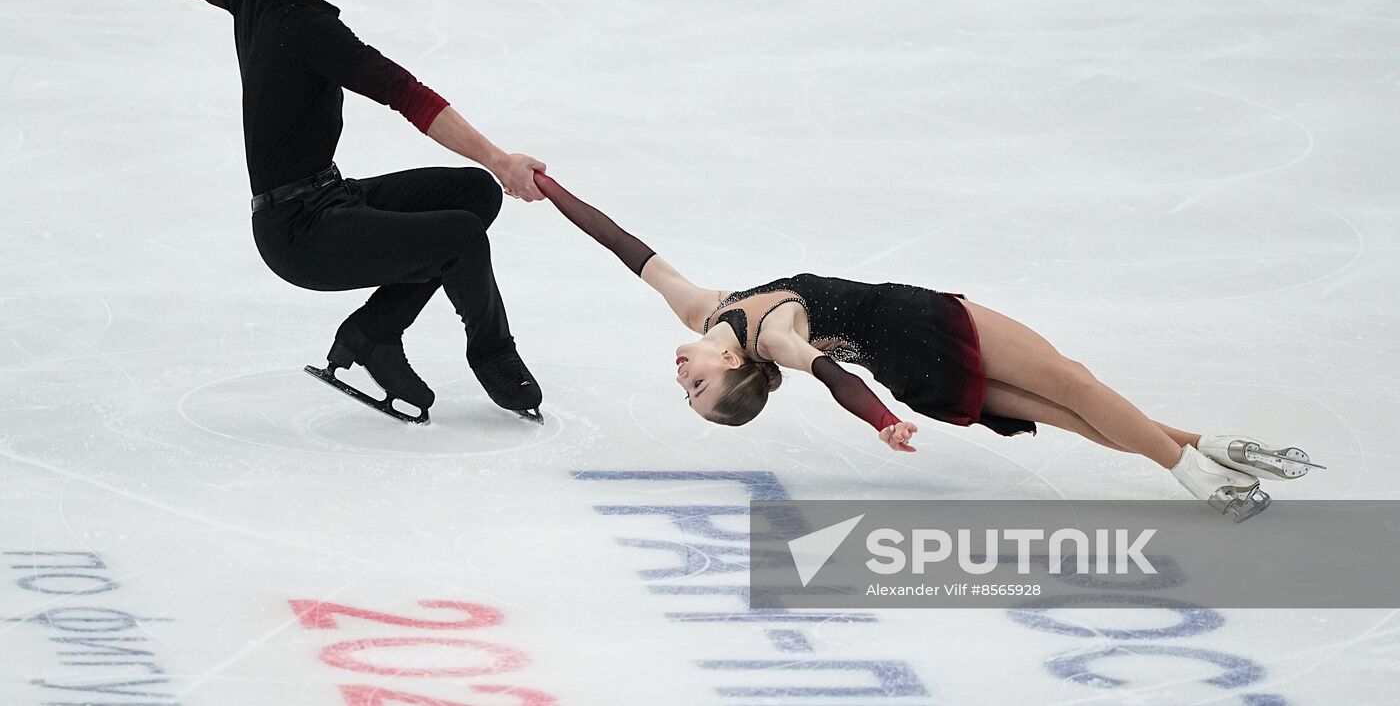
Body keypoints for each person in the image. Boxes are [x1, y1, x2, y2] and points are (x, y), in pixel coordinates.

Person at [532, 171, 1321, 522]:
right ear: (736, 365)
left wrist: (549, 187)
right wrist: (877, 421)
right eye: (697, 389)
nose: (683, 378)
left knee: (1076, 412)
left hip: (913, 373)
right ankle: (1199, 476)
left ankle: (1212, 446)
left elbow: (625, 247)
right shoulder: (771, 333)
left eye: (689, 387)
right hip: (925, 331)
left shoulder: (704, 310)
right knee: (1077, 385)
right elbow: (834, 375)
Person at [76, 0, 547, 423]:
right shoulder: (306, 28)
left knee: (472, 192)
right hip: (300, 235)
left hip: (327, 198)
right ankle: (492, 354)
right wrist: (500, 157)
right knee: (462, 237)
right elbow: (409, 96)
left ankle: (374, 334)